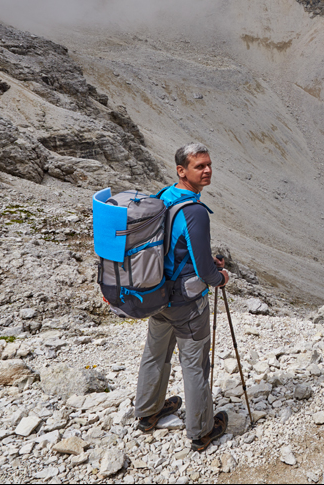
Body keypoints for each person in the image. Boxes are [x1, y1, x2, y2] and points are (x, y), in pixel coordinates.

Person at [134, 142, 230, 452]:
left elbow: (175, 246)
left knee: (155, 353)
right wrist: (221, 277)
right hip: (186, 303)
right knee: (196, 364)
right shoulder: (195, 211)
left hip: (156, 294)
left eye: (209, 164)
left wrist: (202, 261)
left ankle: (148, 412)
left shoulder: (164, 195)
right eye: (199, 166)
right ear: (182, 170)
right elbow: (205, 271)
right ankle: (201, 430)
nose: (207, 170)